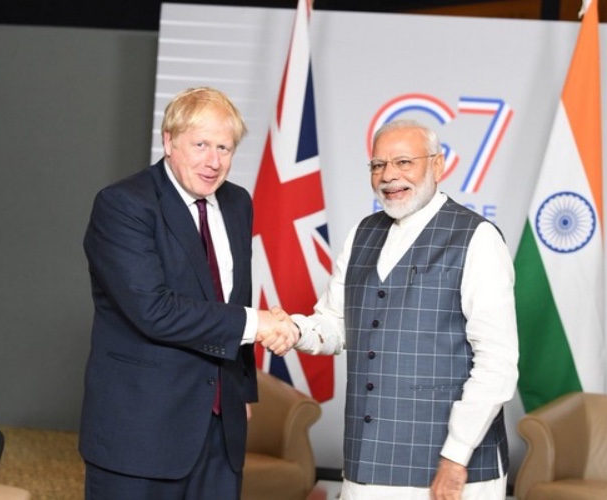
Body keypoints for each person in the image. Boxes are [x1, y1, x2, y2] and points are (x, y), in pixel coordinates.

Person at [79, 86, 298, 500]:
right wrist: (260, 323)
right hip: (141, 432)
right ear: (168, 140)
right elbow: (154, 309)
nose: (213, 162)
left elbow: (233, 296)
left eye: (224, 147)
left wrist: (241, 392)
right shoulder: (123, 204)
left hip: (220, 429)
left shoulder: (237, 203)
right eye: (200, 145)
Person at [291, 119, 519, 499]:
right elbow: (336, 323)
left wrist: (455, 457)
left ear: (437, 165)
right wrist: (292, 331)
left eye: (403, 162)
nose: (388, 176)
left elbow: (497, 363)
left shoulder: (477, 239)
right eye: (378, 165)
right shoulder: (362, 234)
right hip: (367, 463)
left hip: (449, 472)